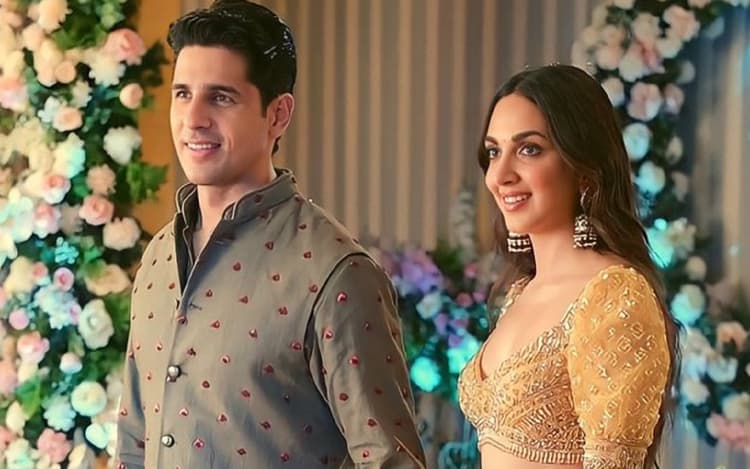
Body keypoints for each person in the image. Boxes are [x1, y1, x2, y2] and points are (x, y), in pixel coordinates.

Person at [114, 1, 426, 467]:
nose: (192, 118)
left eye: (220, 97)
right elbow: (132, 445)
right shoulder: (159, 256)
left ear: (278, 114)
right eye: (183, 94)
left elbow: (389, 461)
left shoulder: (336, 274)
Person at [458, 64, 679, 469]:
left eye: (529, 149)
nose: (499, 175)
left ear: (583, 169)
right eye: (493, 152)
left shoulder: (614, 295)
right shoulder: (520, 293)